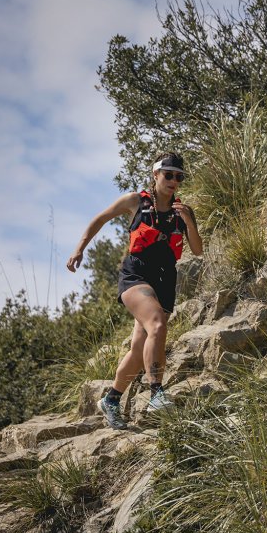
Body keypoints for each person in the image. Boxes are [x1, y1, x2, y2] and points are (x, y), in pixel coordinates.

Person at [67, 153, 203, 429]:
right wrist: (79, 249)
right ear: (155, 174)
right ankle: (156, 393)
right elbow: (101, 218)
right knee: (157, 324)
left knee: (139, 348)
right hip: (136, 276)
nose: (174, 180)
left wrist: (189, 221)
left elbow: (197, 250)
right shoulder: (135, 201)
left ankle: (111, 399)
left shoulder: (183, 211)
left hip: (165, 281)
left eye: (179, 176)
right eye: (168, 174)